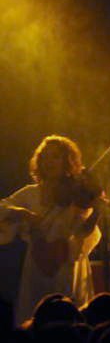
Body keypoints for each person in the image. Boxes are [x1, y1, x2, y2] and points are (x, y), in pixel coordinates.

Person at [0, 135, 103, 323]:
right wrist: (22, 213)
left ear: (67, 161)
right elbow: (2, 208)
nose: (49, 161)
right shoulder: (30, 193)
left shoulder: (77, 193)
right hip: (37, 266)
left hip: (67, 266)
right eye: (45, 157)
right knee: (36, 315)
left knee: (68, 316)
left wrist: (97, 210)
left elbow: (83, 233)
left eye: (56, 156)